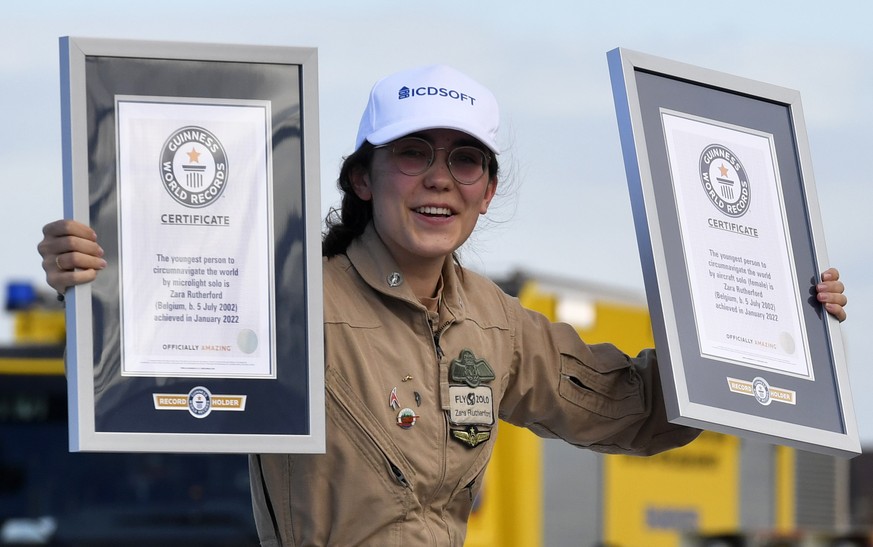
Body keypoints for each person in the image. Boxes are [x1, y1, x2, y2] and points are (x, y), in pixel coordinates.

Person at [38, 64, 848, 546]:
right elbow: (144, 347)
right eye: (412, 153)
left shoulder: (497, 325)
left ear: (488, 191)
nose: (438, 178)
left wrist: (780, 322)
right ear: (361, 177)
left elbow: (632, 407)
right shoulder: (285, 301)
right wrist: (92, 277)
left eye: (465, 160)